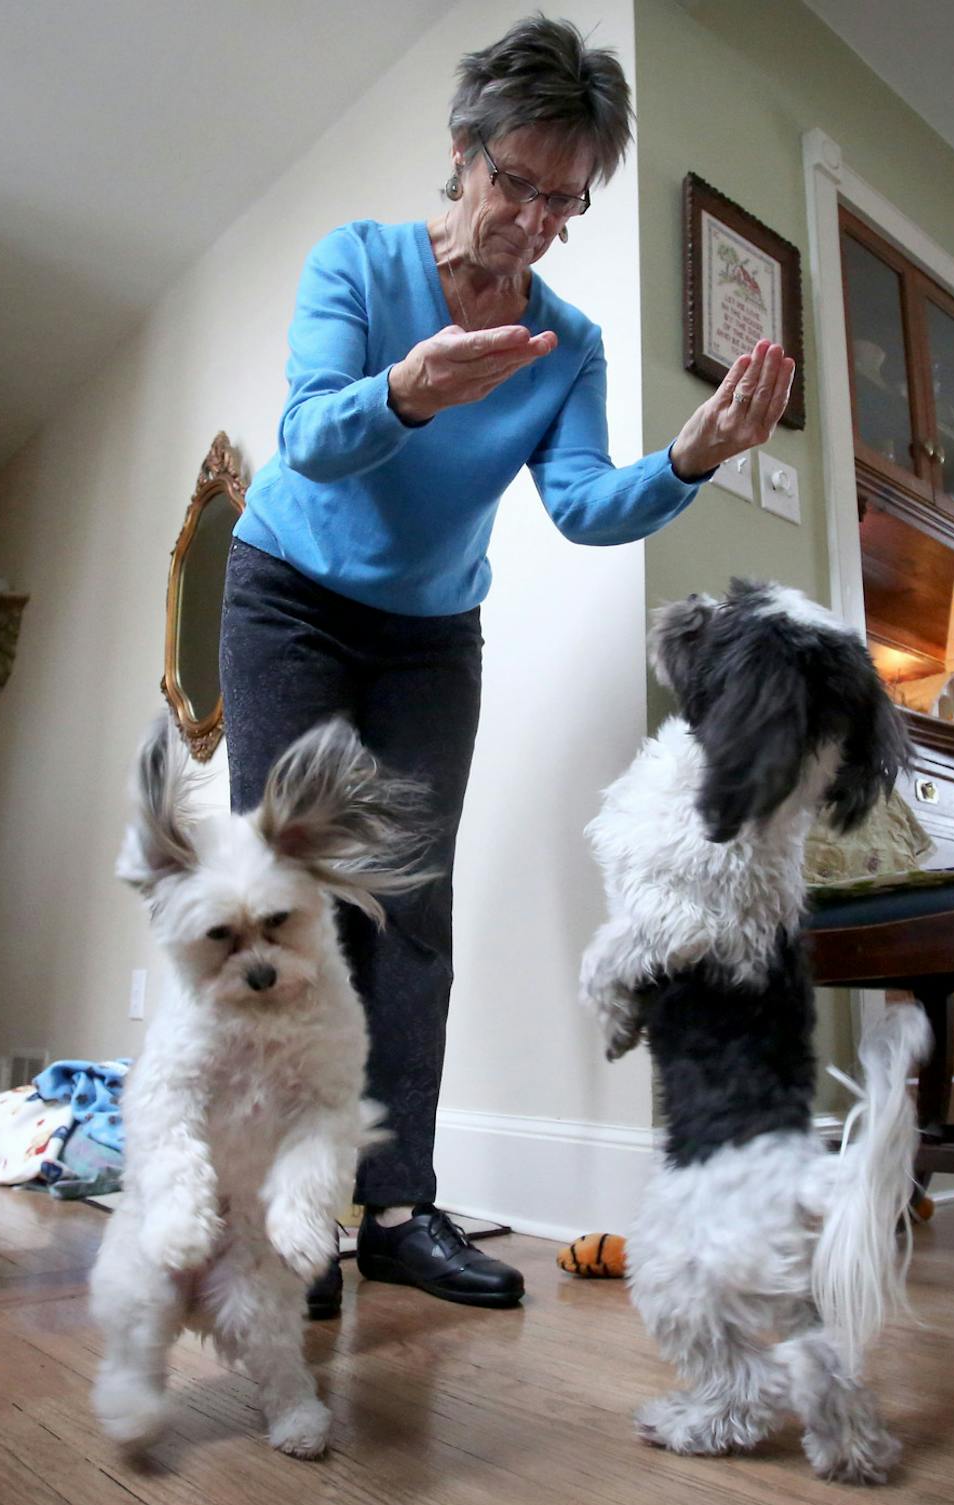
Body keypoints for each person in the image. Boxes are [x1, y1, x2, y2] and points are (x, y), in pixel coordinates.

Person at [219, 15, 794, 1317]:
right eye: (515, 184)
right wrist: (409, 390)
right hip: (289, 598)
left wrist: (690, 459)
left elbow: (586, 505)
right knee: (290, 898)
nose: (533, 219)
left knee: (410, 912)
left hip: (429, 631)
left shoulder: (567, 342)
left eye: (563, 200)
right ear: (464, 153)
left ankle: (400, 1210)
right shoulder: (360, 267)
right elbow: (309, 434)